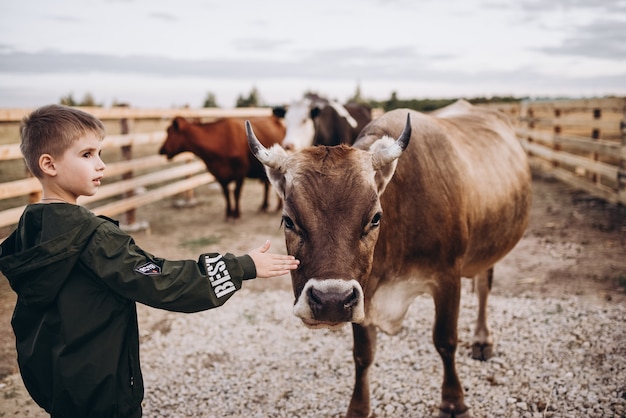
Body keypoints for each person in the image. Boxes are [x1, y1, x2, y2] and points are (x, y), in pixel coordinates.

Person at [0, 104, 299, 418]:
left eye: (100, 153)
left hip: (57, 389)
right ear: (49, 164)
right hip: (104, 394)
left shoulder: (26, 233)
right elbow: (165, 282)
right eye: (87, 155)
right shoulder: (95, 239)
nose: (101, 165)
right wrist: (242, 266)